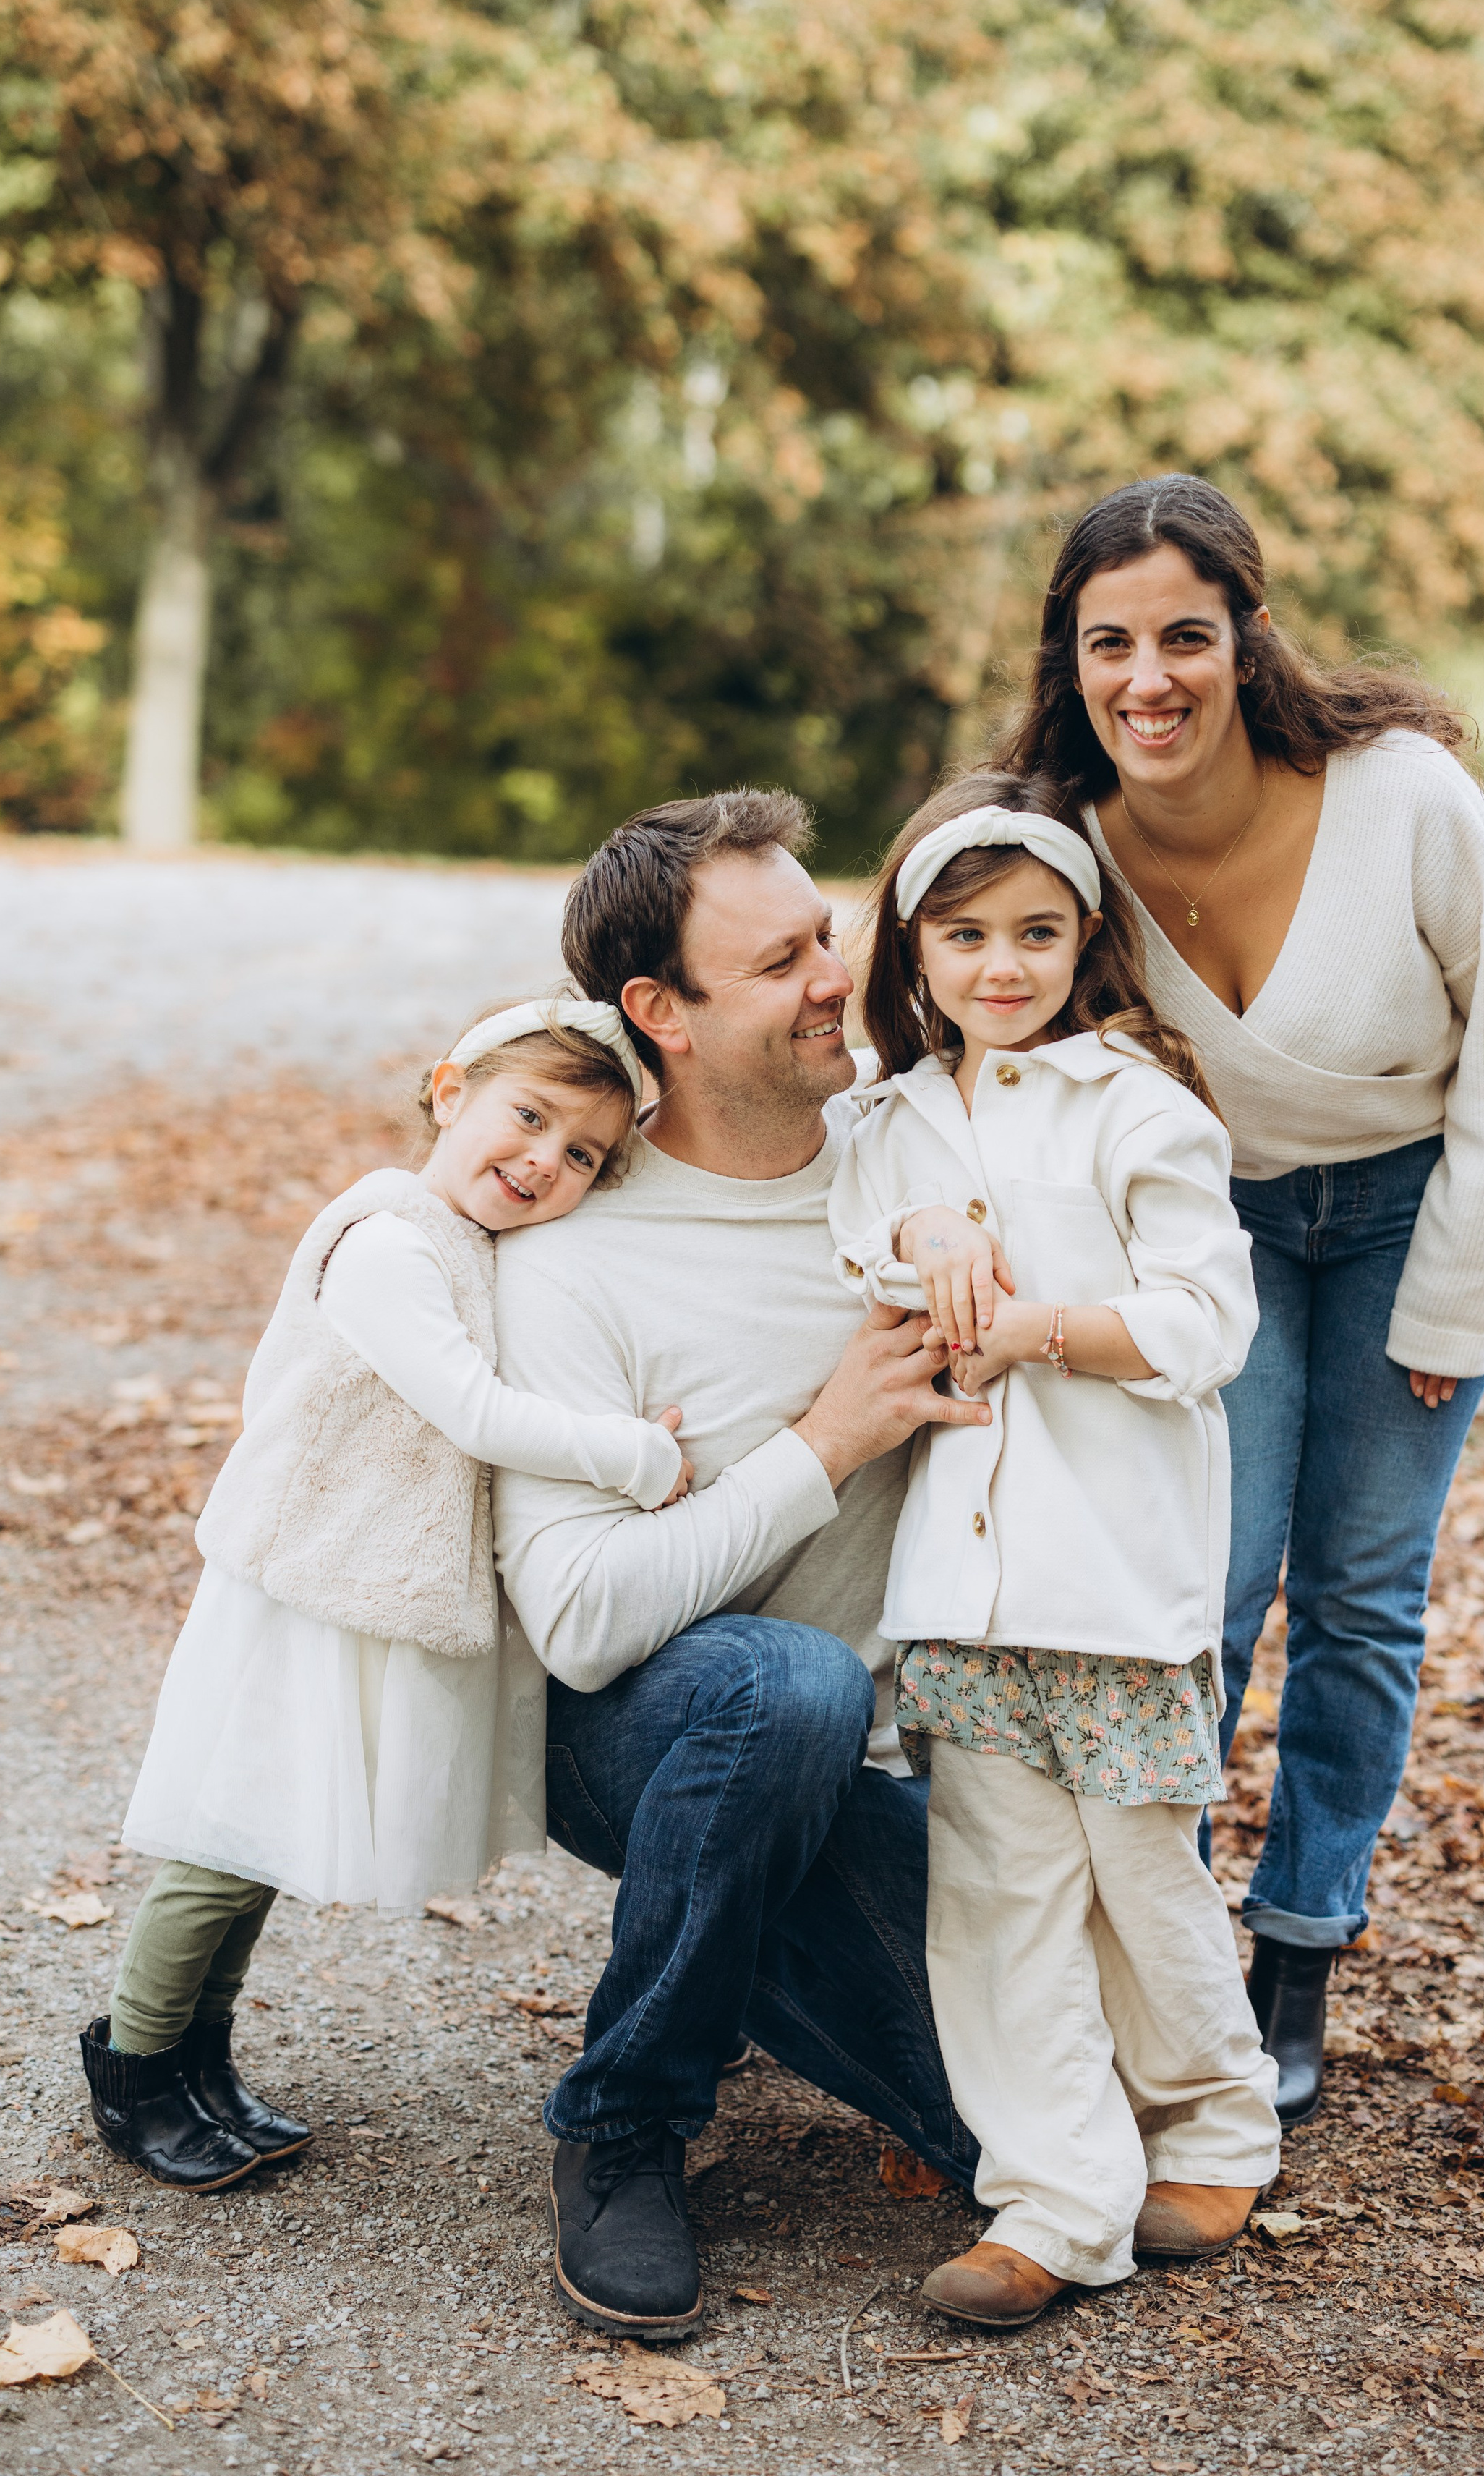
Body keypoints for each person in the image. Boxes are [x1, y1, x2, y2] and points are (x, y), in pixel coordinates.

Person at [1000, 474, 1484, 2124]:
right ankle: (1158, 1948)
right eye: (1111, 643)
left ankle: (1297, 1940)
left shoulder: (1403, 796)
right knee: (1206, 1579)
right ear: (1072, 658)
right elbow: (956, 1004)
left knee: (1364, 1592)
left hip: (1414, 1209)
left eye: (1183, 634)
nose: (1147, 677)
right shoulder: (1061, 836)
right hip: (1211, 1234)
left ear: (1246, 638)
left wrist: (1447, 1316)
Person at [492, 789, 993, 2341]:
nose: (836, 977)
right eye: (781, 962)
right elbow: (575, 1628)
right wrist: (824, 1441)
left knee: (1048, 2142)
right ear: (662, 1013)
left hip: (895, 1754)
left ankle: (763, 1943)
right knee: (780, 1690)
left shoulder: (920, 1154)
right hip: (651, 1732)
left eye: (825, 936)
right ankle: (628, 2117)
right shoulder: (577, 1249)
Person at [80, 1000, 691, 2189]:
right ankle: (138, 2065)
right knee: (226, 1840)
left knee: (260, 1839)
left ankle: (199, 2054)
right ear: (449, 1089)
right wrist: (636, 1454)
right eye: (530, 1118)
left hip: (348, 1578)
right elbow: (470, 1408)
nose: (544, 1162)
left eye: (582, 1157)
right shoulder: (389, 1243)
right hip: (301, 1582)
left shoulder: (469, 1242)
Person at [827, 771, 1278, 2328]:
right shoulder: (884, 1119)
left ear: (1083, 939)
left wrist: (1038, 1327)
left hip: (1115, 1576)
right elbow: (857, 1232)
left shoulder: (1136, 1108)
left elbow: (1206, 1320)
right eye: (962, 937)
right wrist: (925, 1240)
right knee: (1001, 1893)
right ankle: (1055, 2201)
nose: (998, 967)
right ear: (913, 951)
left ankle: (1214, 2123)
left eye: (1033, 933)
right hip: (957, 1584)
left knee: (1139, 1875)